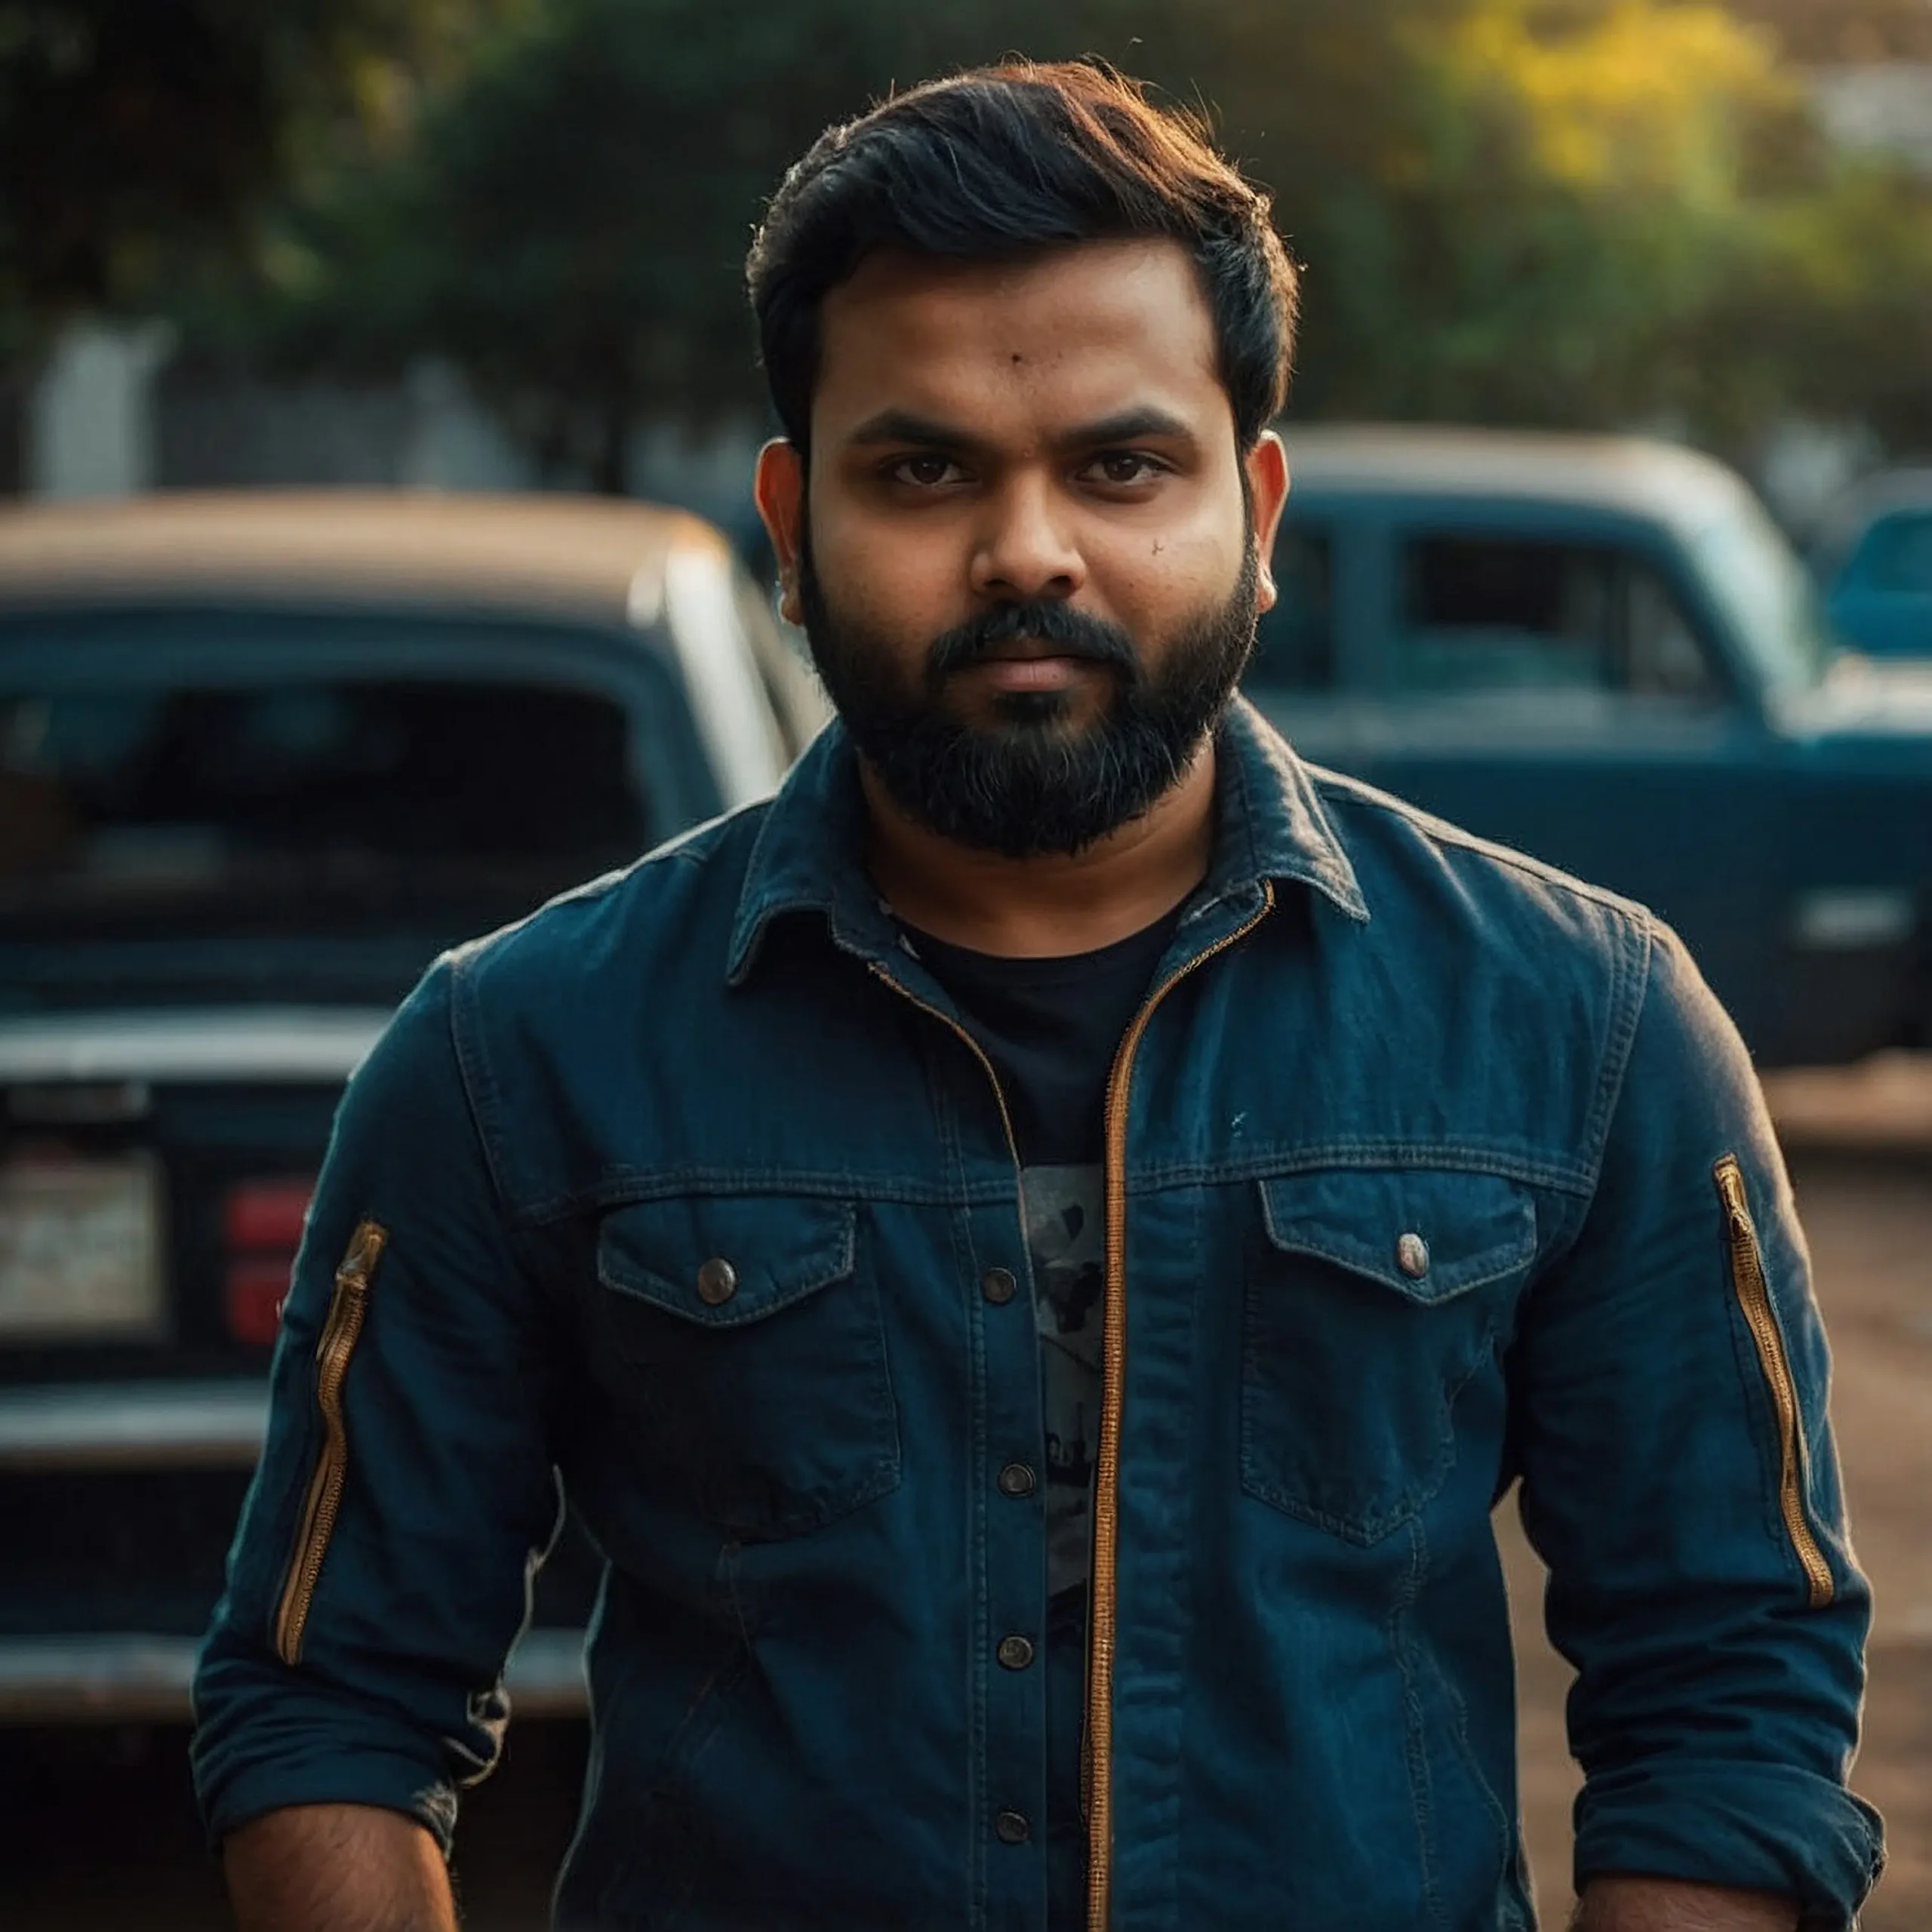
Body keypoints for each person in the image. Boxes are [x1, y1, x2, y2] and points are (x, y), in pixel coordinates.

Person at [192, 59, 1882, 1932]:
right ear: (788, 513)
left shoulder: (1584, 1026)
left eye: (1118, 464)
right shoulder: (516, 1056)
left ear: (1251, 503)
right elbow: (330, 1695)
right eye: (922, 469)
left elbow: (1725, 1690)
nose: (1025, 552)